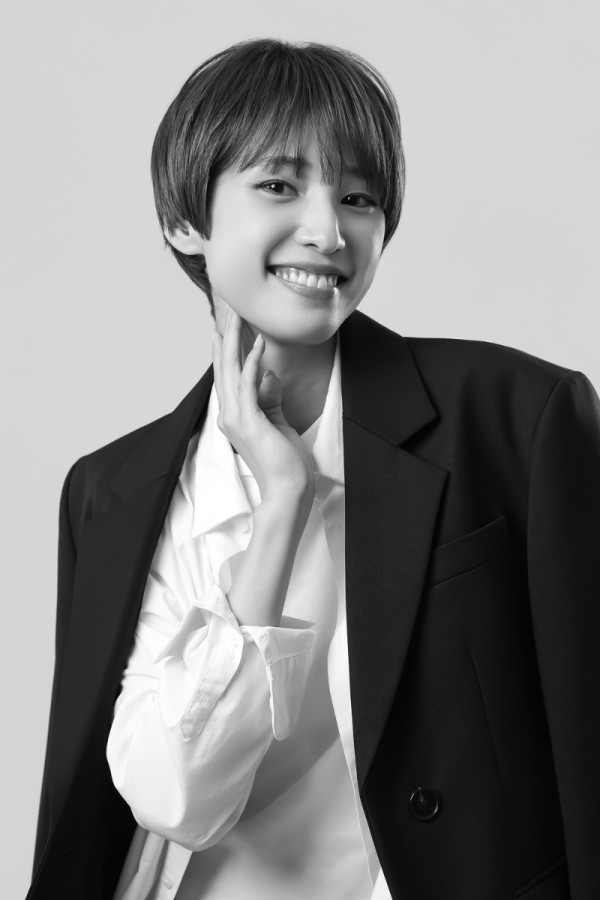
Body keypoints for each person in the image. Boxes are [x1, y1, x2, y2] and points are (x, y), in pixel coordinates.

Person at [28, 38, 599, 900]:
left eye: (358, 197)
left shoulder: (516, 417)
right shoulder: (110, 492)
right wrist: (282, 506)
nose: (329, 232)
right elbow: (172, 801)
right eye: (279, 185)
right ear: (185, 221)